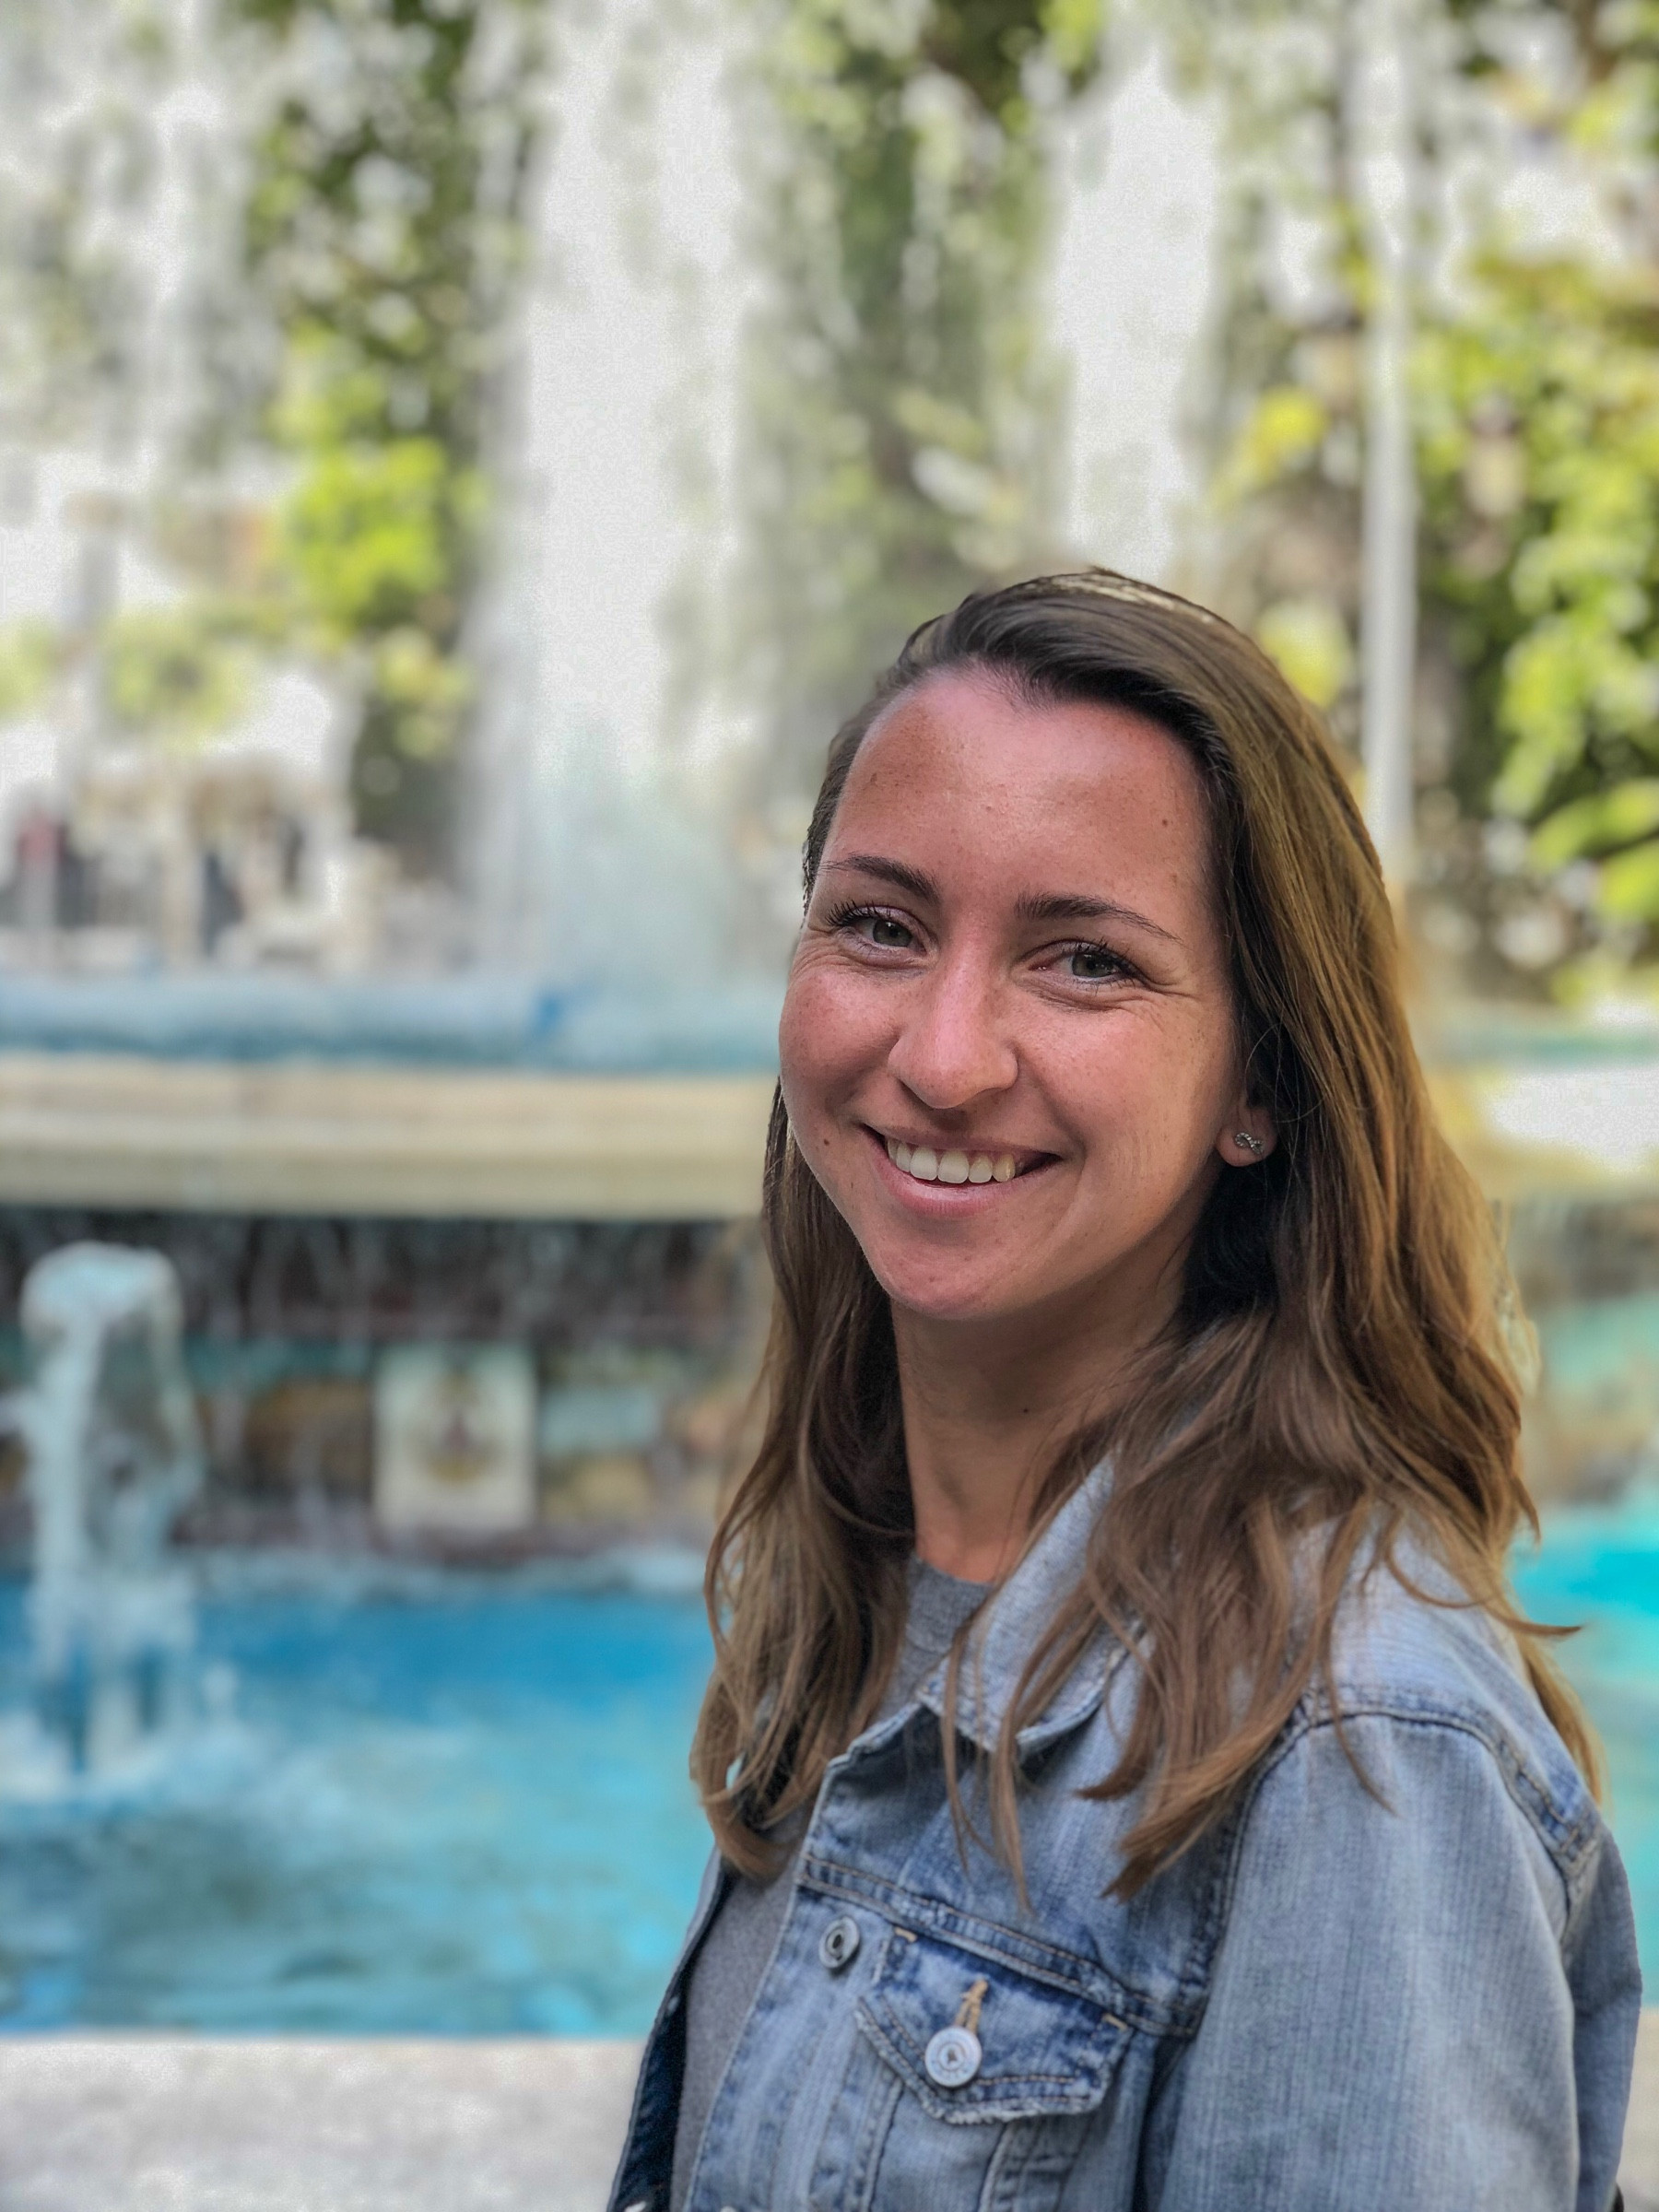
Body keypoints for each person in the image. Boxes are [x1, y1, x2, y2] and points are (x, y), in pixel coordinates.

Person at [610, 571, 1642, 2212]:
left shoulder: (1360, 1756)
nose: (944, 1056)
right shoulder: (872, 1583)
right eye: (879, 925)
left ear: (1260, 1085)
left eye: (1084, 961)